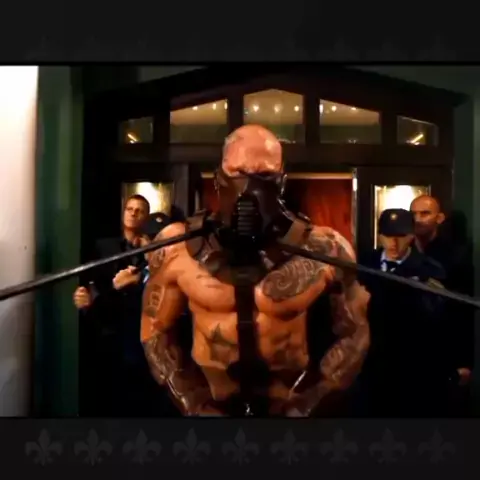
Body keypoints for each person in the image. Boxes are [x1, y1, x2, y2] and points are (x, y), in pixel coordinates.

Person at [140, 124, 371, 417]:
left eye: (264, 175)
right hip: (212, 408)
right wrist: (193, 403)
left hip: (288, 410)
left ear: (281, 180)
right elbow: (155, 332)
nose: (249, 187)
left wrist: (309, 402)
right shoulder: (176, 246)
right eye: (238, 172)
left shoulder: (326, 248)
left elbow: (355, 335)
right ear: (219, 176)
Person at [74, 195, 172, 417]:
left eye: (139, 210)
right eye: (129, 208)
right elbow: (92, 290)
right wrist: (96, 298)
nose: (133, 213)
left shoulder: (163, 266)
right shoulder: (105, 248)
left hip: (149, 346)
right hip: (114, 336)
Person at [358, 208, 451, 417]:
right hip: (369, 362)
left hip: (411, 363)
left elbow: (439, 320)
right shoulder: (363, 263)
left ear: (411, 236)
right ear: (380, 235)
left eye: (400, 236)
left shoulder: (429, 270)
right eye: (387, 236)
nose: (393, 243)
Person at [410, 195, 473, 407]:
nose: (418, 219)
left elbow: (464, 310)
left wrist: (464, 361)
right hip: (407, 351)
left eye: (425, 213)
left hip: (443, 350)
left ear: (439, 218)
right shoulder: (403, 252)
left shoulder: (456, 256)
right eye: (413, 214)